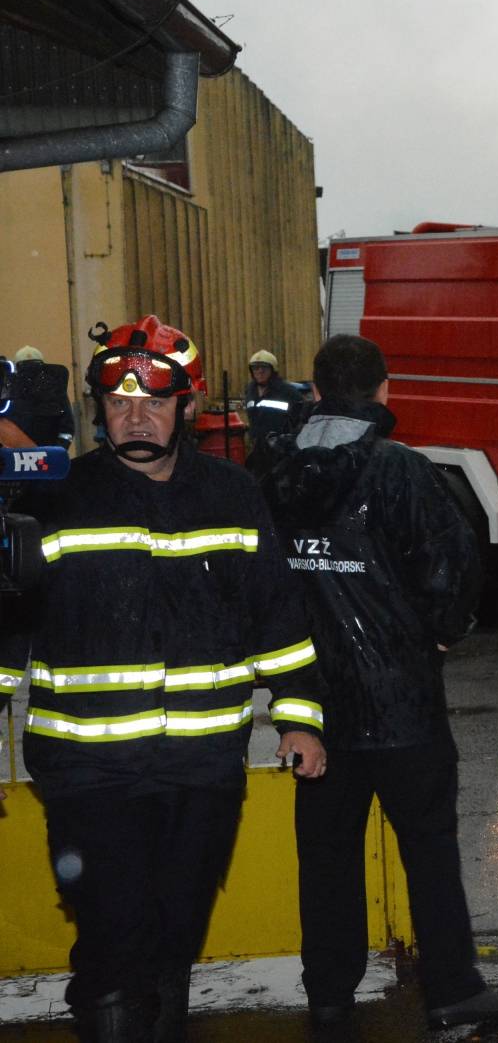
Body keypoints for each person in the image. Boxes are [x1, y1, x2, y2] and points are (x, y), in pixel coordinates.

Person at [0, 315, 327, 1043]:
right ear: (99, 408)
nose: (135, 414)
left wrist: (302, 717)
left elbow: (277, 613)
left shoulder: (234, 495)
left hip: (202, 771)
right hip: (87, 771)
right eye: (119, 402)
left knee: (172, 936)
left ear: (188, 405)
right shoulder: (54, 500)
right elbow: (7, 630)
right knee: (117, 941)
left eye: (153, 400)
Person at [262, 335, 498, 1031]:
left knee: (326, 856)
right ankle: (450, 986)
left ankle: (329, 993)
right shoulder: (401, 470)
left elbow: (260, 588)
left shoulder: (274, 471)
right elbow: (452, 568)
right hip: (401, 701)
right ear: (385, 390)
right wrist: (440, 631)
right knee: (429, 847)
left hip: (313, 707)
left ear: (315, 393)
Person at [243, 348, 305, 476]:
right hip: (258, 450)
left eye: (264, 368)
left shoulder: (287, 392)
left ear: (272, 370)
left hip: (280, 452)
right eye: (255, 368)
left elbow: (302, 417)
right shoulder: (250, 390)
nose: (259, 371)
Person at [3, 345, 76, 449]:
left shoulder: (55, 392)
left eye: (34, 367)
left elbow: (67, 427)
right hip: (18, 456)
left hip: (49, 456)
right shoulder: (9, 395)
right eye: (25, 367)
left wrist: (57, 451)